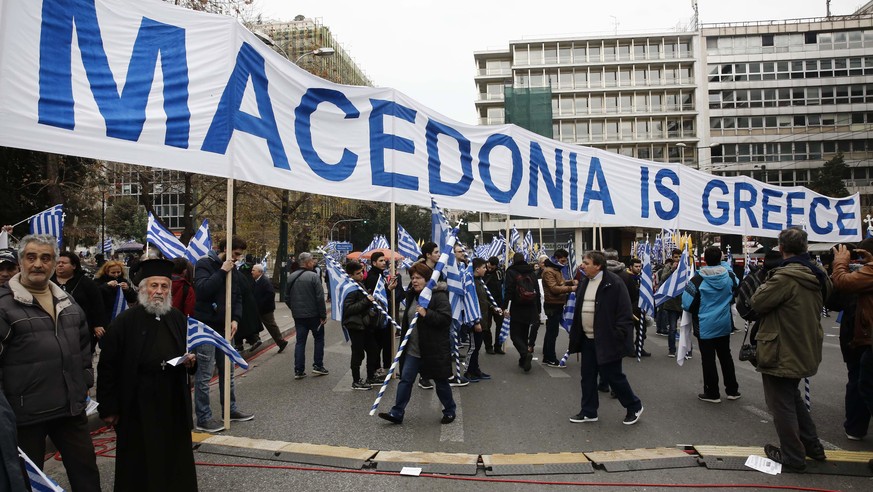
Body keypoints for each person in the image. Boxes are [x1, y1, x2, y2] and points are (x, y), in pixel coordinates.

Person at [0, 235, 101, 491]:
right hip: (25, 415)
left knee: (86, 472)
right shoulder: (3, 306)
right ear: (21, 261)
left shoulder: (69, 304)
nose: (38, 264)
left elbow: (83, 348)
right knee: (27, 482)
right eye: (31, 257)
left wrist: (84, 383)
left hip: (69, 409)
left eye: (45, 258)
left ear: (54, 263)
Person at [97, 259, 198, 491]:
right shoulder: (124, 322)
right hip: (137, 401)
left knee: (173, 455)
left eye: (164, 287)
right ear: (143, 289)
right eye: (154, 286)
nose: (159, 292)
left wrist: (191, 362)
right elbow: (107, 367)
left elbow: (189, 354)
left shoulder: (177, 318)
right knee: (139, 460)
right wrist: (109, 408)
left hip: (171, 397)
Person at [751, 227, 831, 472]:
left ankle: (793, 456)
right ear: (805, 247)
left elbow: (757, 302)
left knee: (780, 404)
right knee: (792, 397)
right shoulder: (819, 275)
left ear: (781, 247)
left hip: (781, 349)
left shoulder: (785, 277)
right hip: (805, 345)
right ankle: (812, 445)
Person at [568, 250, 644, 426]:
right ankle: (588, 411)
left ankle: (634, 406)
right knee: (587, 377)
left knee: (613, 377)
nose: (582, 265)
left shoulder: (614, 283)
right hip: (588, 339)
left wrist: (618, 335)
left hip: (608, 340)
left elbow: (624, 313)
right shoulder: (585, 282)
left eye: (586, 263)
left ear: (598, 265)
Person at [378, 262, 456, 425]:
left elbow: (445, 319)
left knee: (440, 382)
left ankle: (449, 410)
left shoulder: (438, 296)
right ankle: (397, 412)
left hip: (433, 349)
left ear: (428, 279)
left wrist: (426, 313)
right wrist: (389, 290)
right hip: (413, 350)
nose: (414, 281)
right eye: (412, 277)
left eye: (418, 278)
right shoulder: (412, 295)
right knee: (405, 380)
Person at [192, 237, 255, 433]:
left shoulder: (234, 269)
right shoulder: (204, 264)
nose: (237, 259)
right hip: (206, 326)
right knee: (204, 374)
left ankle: (230, 408)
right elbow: (202, 291)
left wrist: (235, 318)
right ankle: (203, 417)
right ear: (225, 250)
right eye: (235, 254)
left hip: (225, 326)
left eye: (239, 255)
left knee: (227, 370)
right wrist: (222, 271)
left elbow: (236, 296)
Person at [682, 246, 741, 403]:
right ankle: (733, 390)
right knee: (725, 356)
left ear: (704, 260)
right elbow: (736, 285)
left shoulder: (697, 279)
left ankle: (712, 393)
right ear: (721, 259)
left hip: (704, 324)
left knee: (708, 359)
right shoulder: (729, 275)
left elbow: (686, 304)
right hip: (723, 323)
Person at [830, 239, 873, 441]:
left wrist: (839, 264)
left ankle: (856, 426)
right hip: (858, 334)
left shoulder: (864, 275)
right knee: (859, 379)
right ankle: (856, 425)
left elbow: (841, 284)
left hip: (862, 335)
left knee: (860, 381)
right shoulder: (862, 274)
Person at [52, 251, 108, 355]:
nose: (60, 265)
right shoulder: (48, 282)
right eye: (58, 262)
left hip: (81, 328)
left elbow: (97, 304)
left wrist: (98, 324)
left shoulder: (86, 283)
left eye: (64, 263)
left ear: (74, 266)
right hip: (54, 328)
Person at [286, 252, 328, 379]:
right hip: (314, 315)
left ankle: (298, 370)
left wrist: (294, 309)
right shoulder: (314, 277)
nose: (313, 262)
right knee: (319, 339)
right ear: (308, 262)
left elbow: (287, 298)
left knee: (300, 342)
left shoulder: (291, 277)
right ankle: (318, 366)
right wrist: (323, 314)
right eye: (312, 261)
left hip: (299, 316)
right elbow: (320, 297)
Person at [342, 261, 380, 390]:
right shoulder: (351, 289)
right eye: (358, 273)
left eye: (362, 272)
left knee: (373, 349)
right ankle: (356, 380)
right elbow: (349, 309)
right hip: (356, 326)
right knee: (358, 353)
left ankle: (370, 376)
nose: (361, 275)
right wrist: (366, 301)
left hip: (365, 324)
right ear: (350, 275)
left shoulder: (359, 285)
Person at [363, 251, 400, 377]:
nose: (384, 263)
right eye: (381, 261)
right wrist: (389, 290)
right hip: (377, 317)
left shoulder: (380, 275)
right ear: (374, 263)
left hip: (384, 315)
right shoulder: (373, 277)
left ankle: (387, 367)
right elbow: (377, 298)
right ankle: (376, 369)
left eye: (384, 260)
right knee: (378, 343)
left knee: (387, 341)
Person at [503, 252, 542, 372]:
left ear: (513, 260)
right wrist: (539, 309)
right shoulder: (531, 271)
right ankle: (523, 359)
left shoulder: (511, 271)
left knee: (515, 335)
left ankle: (524, 354)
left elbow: (509, 290)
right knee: (524, 334)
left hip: (517, 306)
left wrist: (505, 307)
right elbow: (537, 290)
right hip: (531, 306)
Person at [541, 249, 577, 367]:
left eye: (566, 260)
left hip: (557, 303)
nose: (565, 262)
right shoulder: (549, 271)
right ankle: (550, 357)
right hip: (552, 304)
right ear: (556, 258)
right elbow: (554, 288)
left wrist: (570, 282)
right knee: (552, 332)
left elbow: (560, 283)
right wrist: (571, 288)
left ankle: (547, 356)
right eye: (562, 260)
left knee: (551, 332)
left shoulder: (556, 269)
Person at [465, 257, 495, 381]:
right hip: (475, 320)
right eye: (483, 267)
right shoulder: (471, 283)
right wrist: (476, 322)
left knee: (477, 347)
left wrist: (493, 307)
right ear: (477, 269)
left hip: (482, 319)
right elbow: (471, 302)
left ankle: (475, 370)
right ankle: (468, 371)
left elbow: (483, 300)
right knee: (473, 347)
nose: (486, 269)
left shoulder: (479, 281)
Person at [252, 263, 288, 353]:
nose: (251, 272)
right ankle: (254, 340)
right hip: (260, 308)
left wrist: (261, 304)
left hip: (265, 309)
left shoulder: (264, 281)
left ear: (260, 272)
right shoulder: (257, 280)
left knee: (271, 325)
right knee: (254, 323)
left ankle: (281, 342)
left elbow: (271, 294)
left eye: (253, 270)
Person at [617, 256, 649, 357]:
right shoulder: (626, 277)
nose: (638, 268)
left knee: (642, 329)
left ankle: (640, 347)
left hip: (640, 307)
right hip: (629, 307)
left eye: (640, 266)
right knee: (628, 330)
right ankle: (628, 349)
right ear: (631, 267)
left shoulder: (642, 277)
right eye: (636, 266)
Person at [483, 256, 505, 354]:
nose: (490, 268)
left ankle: (498, 346)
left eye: (493, 267)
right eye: (489, 266)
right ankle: (488, 346)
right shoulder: (483, 271)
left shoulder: (499, 272)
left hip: (498, 302)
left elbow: (503, 285)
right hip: (486, 302)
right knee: (487, 325)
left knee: (500, 325)